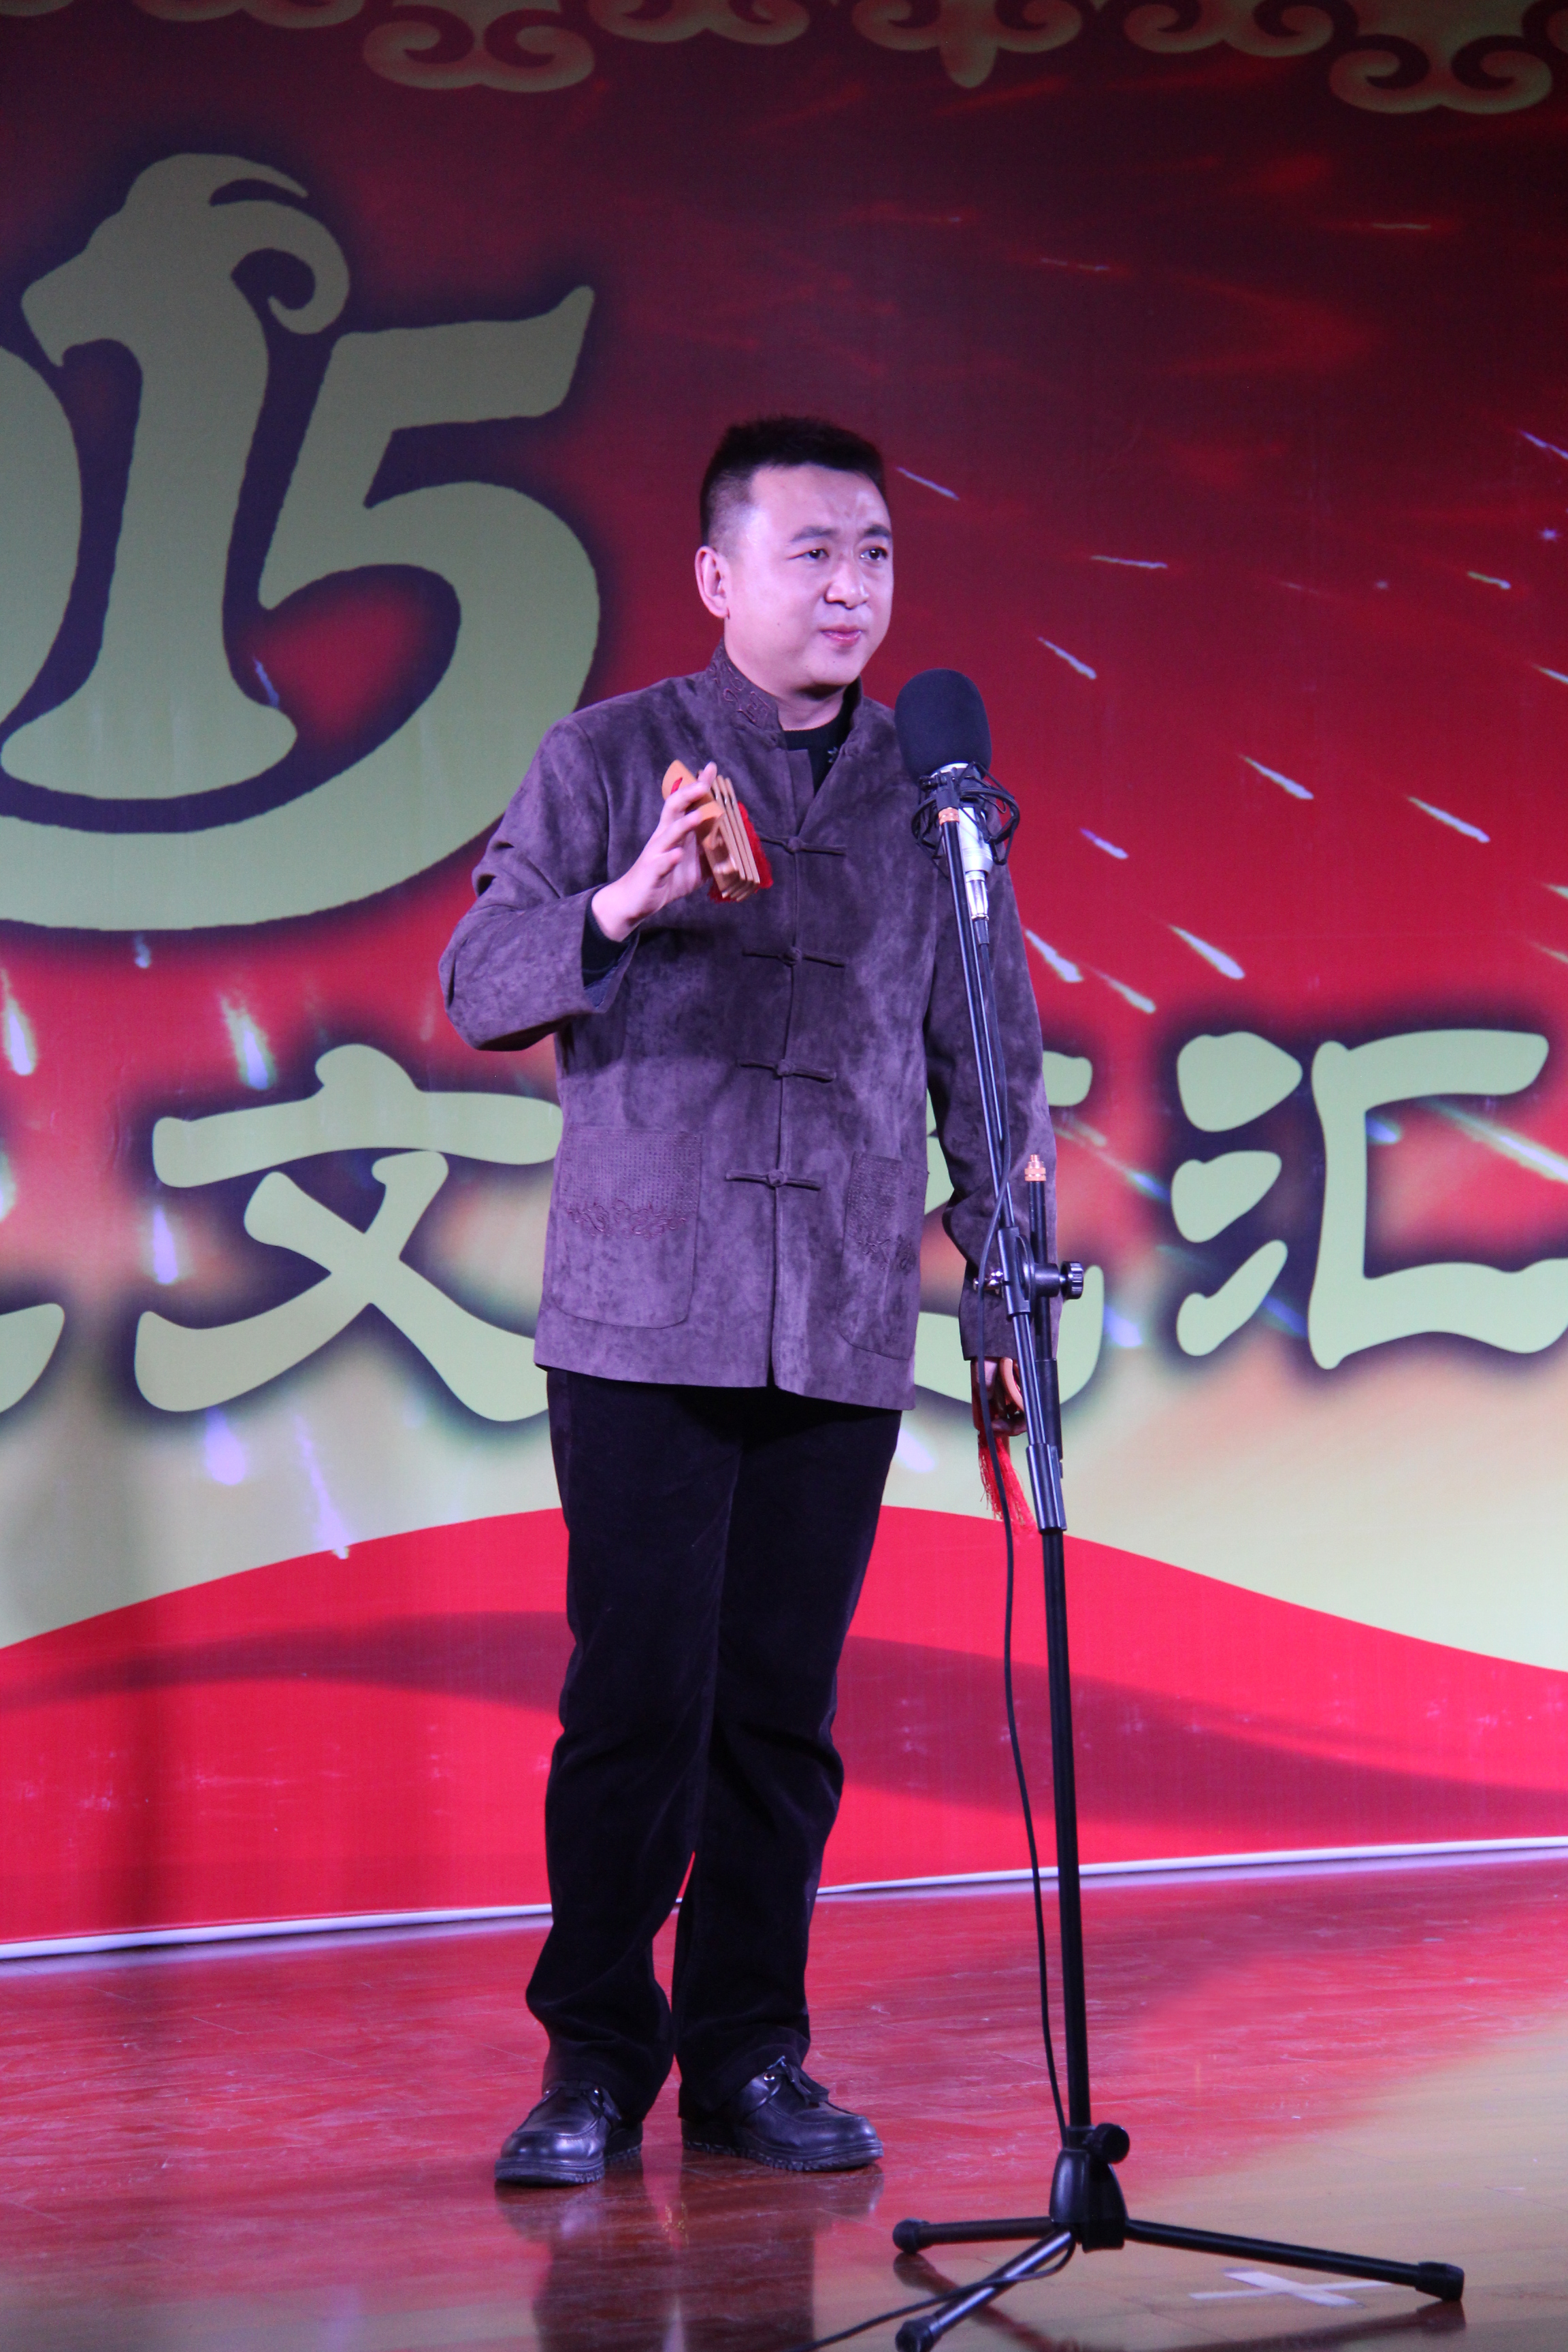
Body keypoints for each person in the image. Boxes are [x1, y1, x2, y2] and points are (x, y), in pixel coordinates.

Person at [439, 415, 1053, 2187]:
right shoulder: (605, 757)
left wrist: (1005, 1292)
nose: (851, 588)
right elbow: (480, 978)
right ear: (718, 575)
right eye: (812, 553)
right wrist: (625, 899)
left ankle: (750, 2052)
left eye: (875, 554)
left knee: (781, 1713)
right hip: (647, 1315)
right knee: (638, 1701)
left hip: (841, 1314)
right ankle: (591, 2062)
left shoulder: (939, 804)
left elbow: (991, 1062)